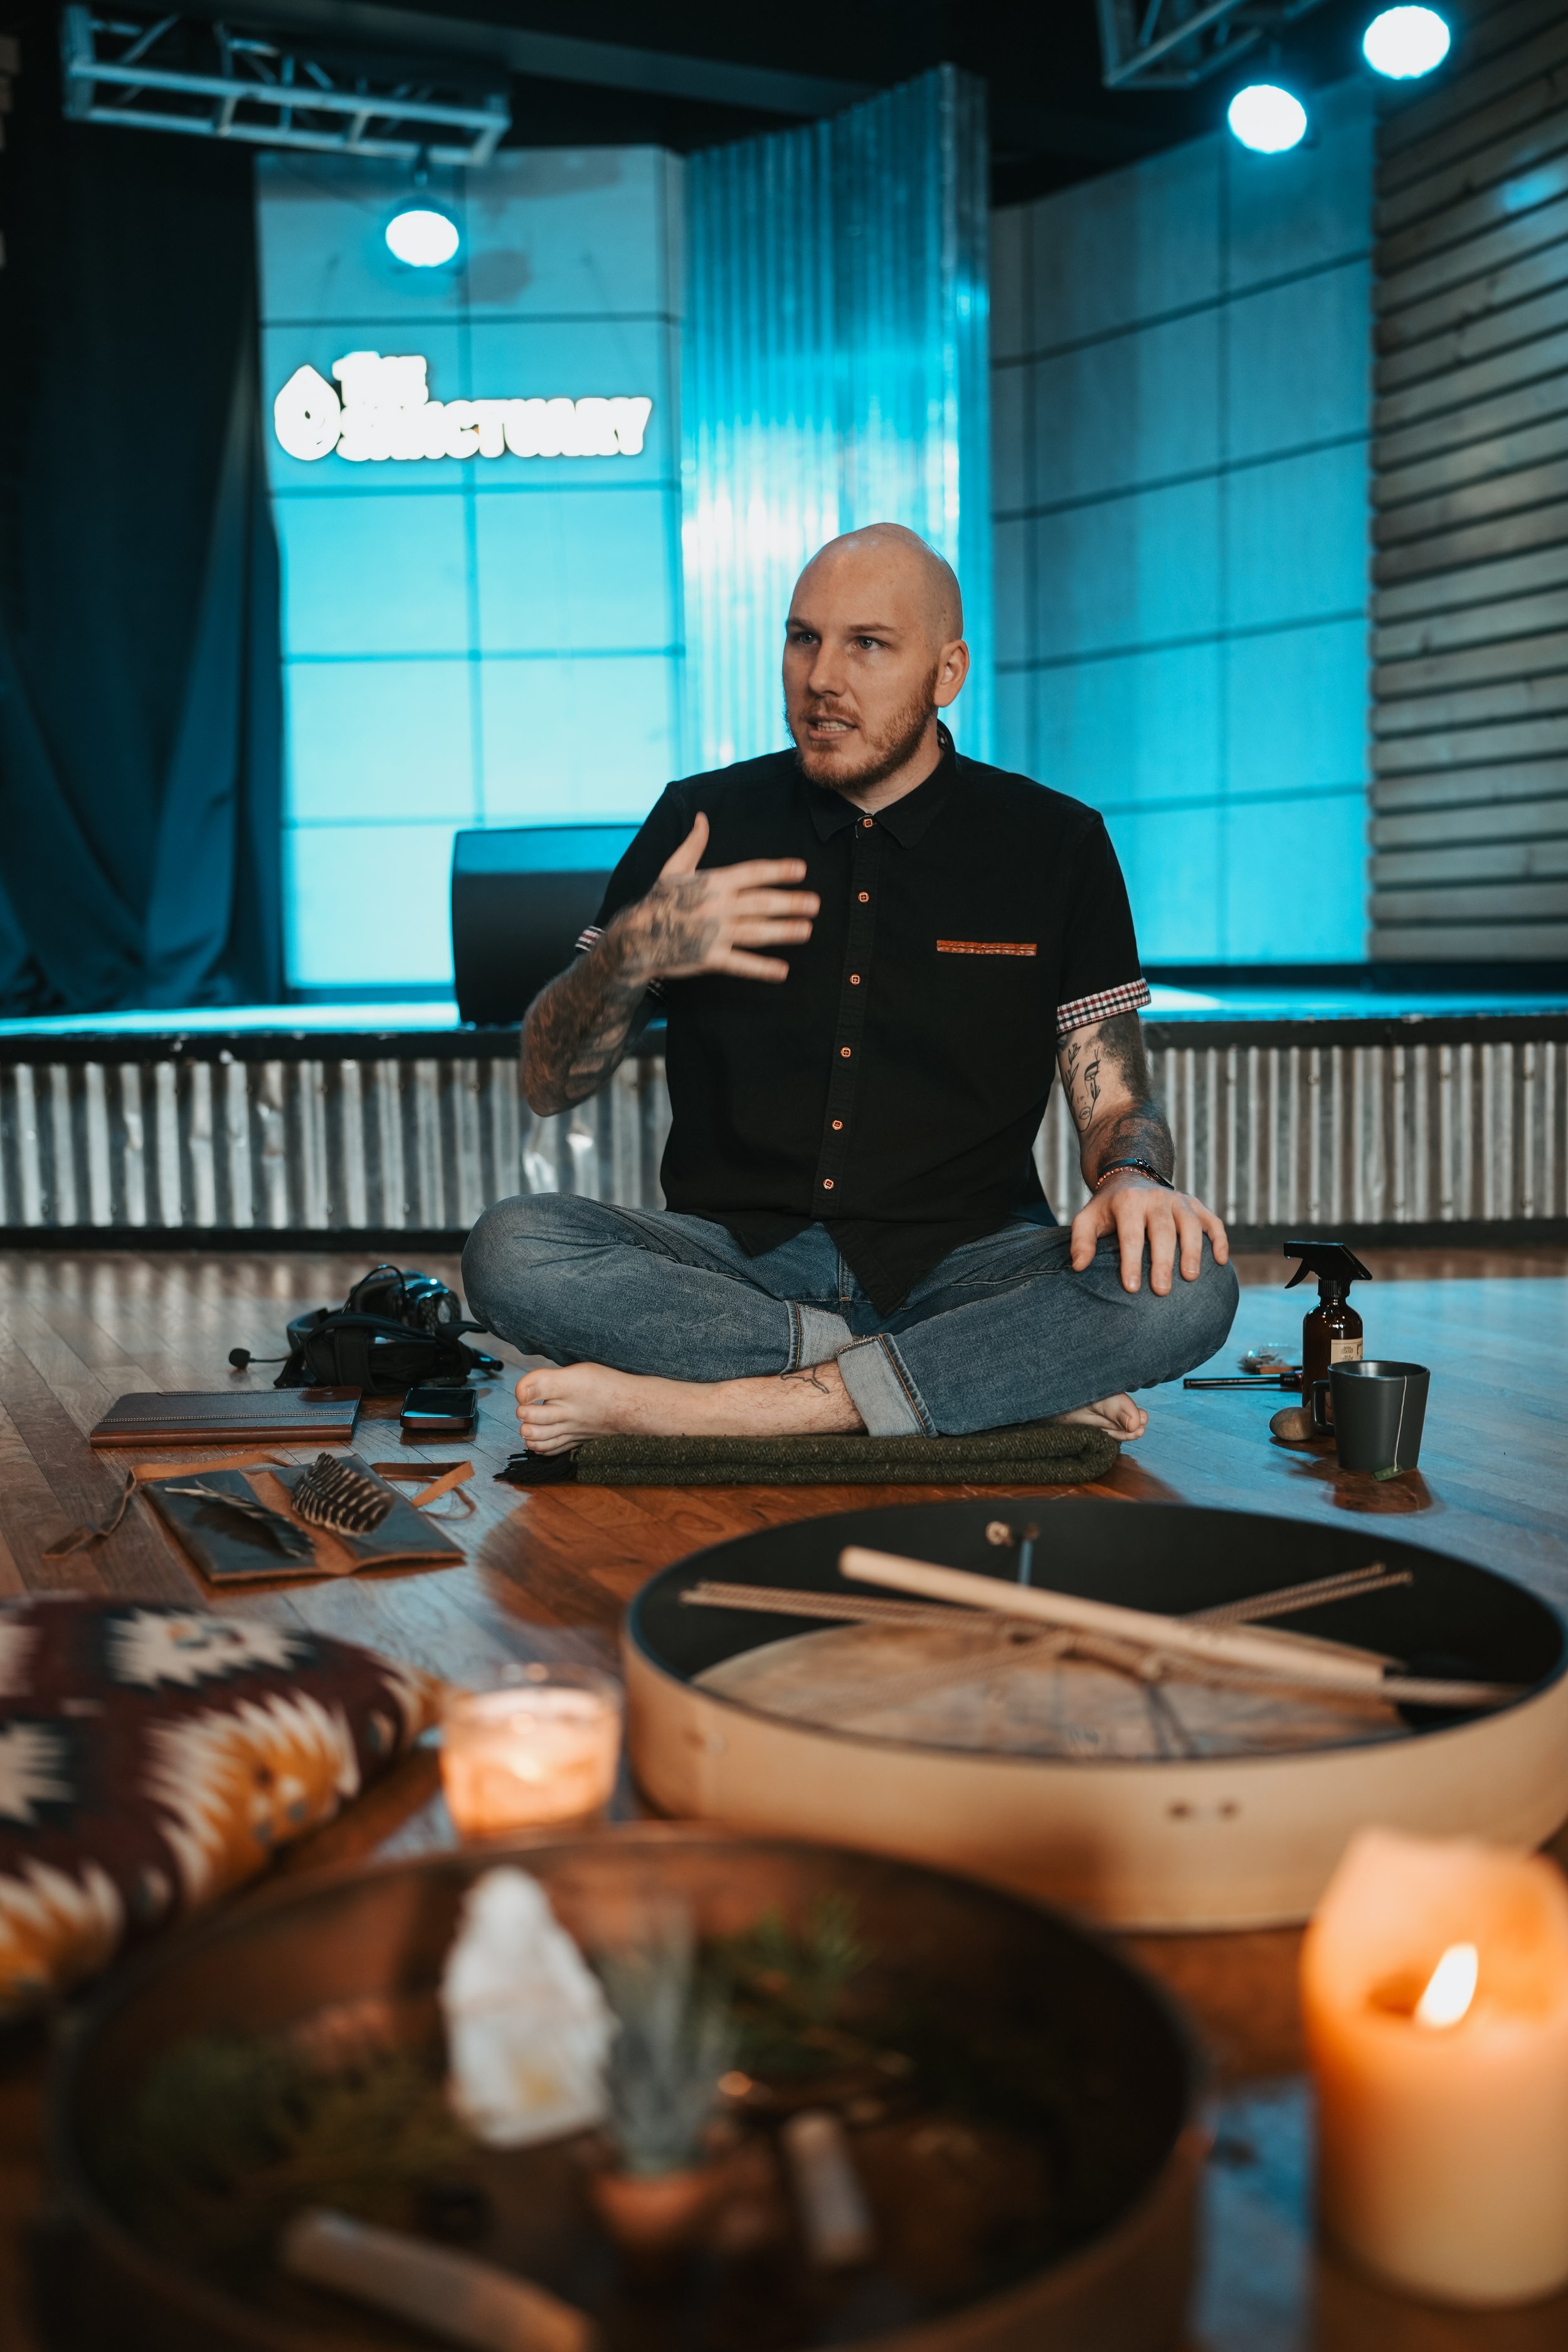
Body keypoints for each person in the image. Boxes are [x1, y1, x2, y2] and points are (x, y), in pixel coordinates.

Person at [464, 522, 1237, 1454]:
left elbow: (1115, 1103)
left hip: (967, 1264)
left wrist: (1134, 1176)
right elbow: (550, 1077)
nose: (822, 676)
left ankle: (747, 1407)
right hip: (730, 1270)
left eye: (868, 644)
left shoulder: (1054, 844)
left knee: (1191, 1283)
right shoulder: (701, 819)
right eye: (803, 637)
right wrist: (630, 950)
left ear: (946, 672)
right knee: (511, 1249)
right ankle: (962, 1380)